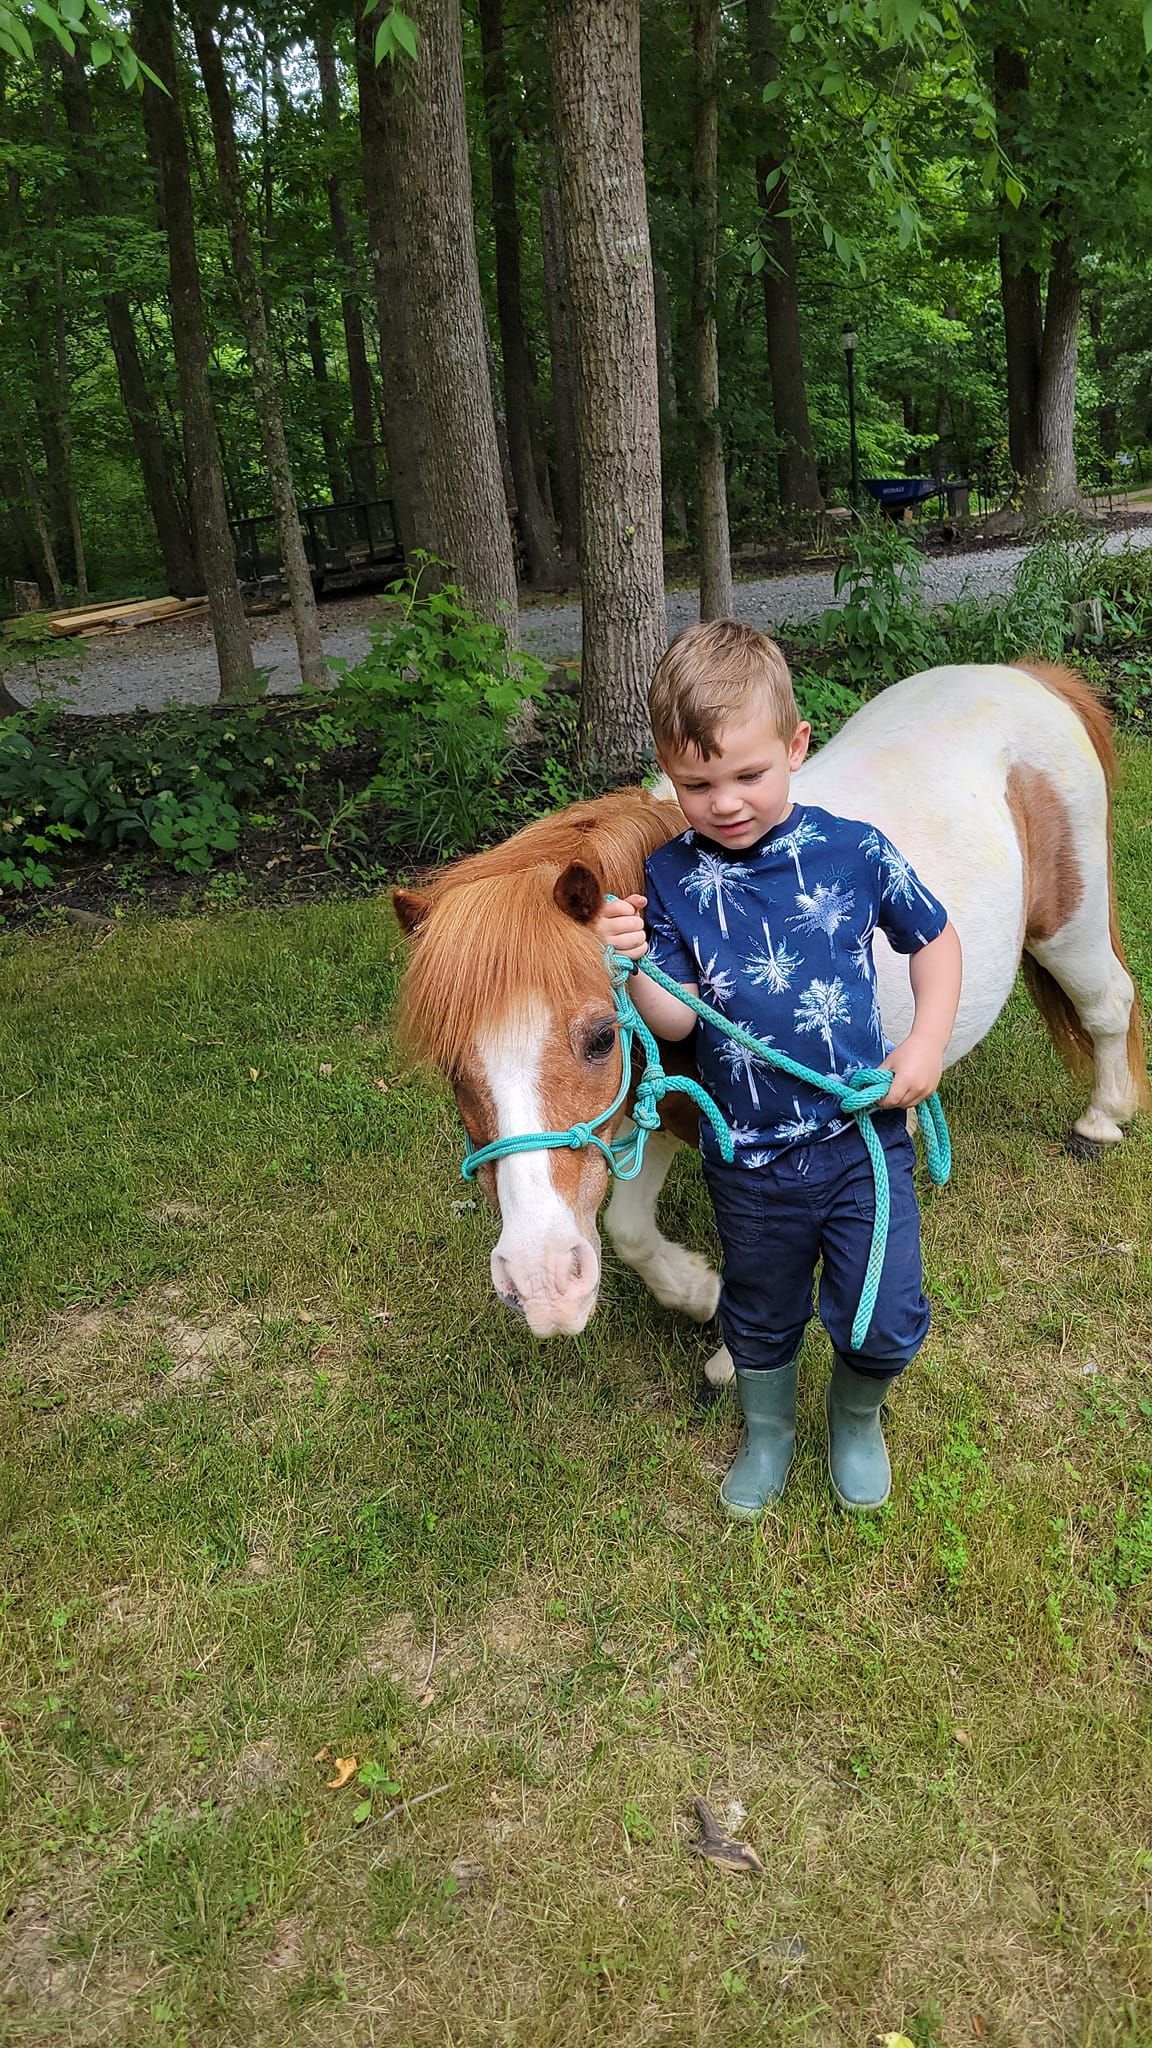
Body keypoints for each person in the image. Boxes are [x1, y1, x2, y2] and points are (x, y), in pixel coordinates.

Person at [594, 620, 963, 1518]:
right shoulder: (669, 877)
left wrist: (923, 1047)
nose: (724, 802)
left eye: (748, 775)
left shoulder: (854, 849)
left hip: (858, 1140)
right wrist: (634, 960)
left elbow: (937, 939)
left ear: (796, 748)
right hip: (747, 1157)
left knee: (883, 1314)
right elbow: (679, 1018)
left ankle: (855, 1415)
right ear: (667, 773)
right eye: (697, 784)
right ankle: (770, 1433)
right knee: (758, 1313)